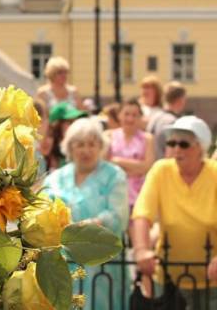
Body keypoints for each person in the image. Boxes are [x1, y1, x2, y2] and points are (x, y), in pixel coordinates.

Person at [43, 118, 129, 310]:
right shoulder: (56, 178)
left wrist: (88, 226)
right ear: (69, 147)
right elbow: (43, 212)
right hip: (64, 262)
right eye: (80, 144)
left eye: (92, 144)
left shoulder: (115, 176)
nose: (86, 150)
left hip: (102, 263)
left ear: (101, 146)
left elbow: (118, 216)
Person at [132, 116, 217, 309]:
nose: (176, 149)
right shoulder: (161, 170)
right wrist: (142, 250)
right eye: (172, 142)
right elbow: (142, 214)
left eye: (184, 144)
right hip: (169, 279)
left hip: (213, 281)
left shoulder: (215, 173)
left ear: (201, 148)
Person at [105, 98, 154, 210]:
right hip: (112, 194)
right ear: (119, 115)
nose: (130, 118)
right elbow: (104, 164)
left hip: (138, 196)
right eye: (126, 114)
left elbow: (147, 167)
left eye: (134, 115)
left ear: (140, 117)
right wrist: (136, 167)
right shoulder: (109, 136)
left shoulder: (147, 139)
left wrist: (117, 161)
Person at [147, 81, 187, 159]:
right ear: (180, 100)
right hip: (163, 167)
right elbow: (171, 153)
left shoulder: (154, 117)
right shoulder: (173, 122)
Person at [44, 102, 87, 171]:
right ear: (56, 125)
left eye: (76, 121)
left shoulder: (81, 151)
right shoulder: (45, 151)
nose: (75, 125)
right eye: (70, 122)